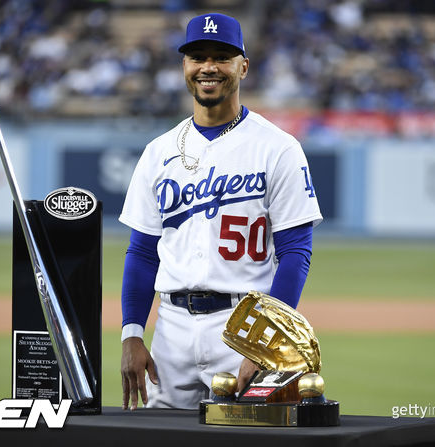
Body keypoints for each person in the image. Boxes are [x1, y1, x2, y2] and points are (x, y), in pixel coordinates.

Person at [119, 12, 322, 410]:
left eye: (221, 56)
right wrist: (131, 333)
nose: (208, 67)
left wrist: (266, 341)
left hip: (242, 325)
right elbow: (142, 252)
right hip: (170, 329)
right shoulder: (158, 152)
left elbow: (296, 252)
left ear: (243, 67)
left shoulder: (277, 148)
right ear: (184, 66)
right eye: (197, 56)